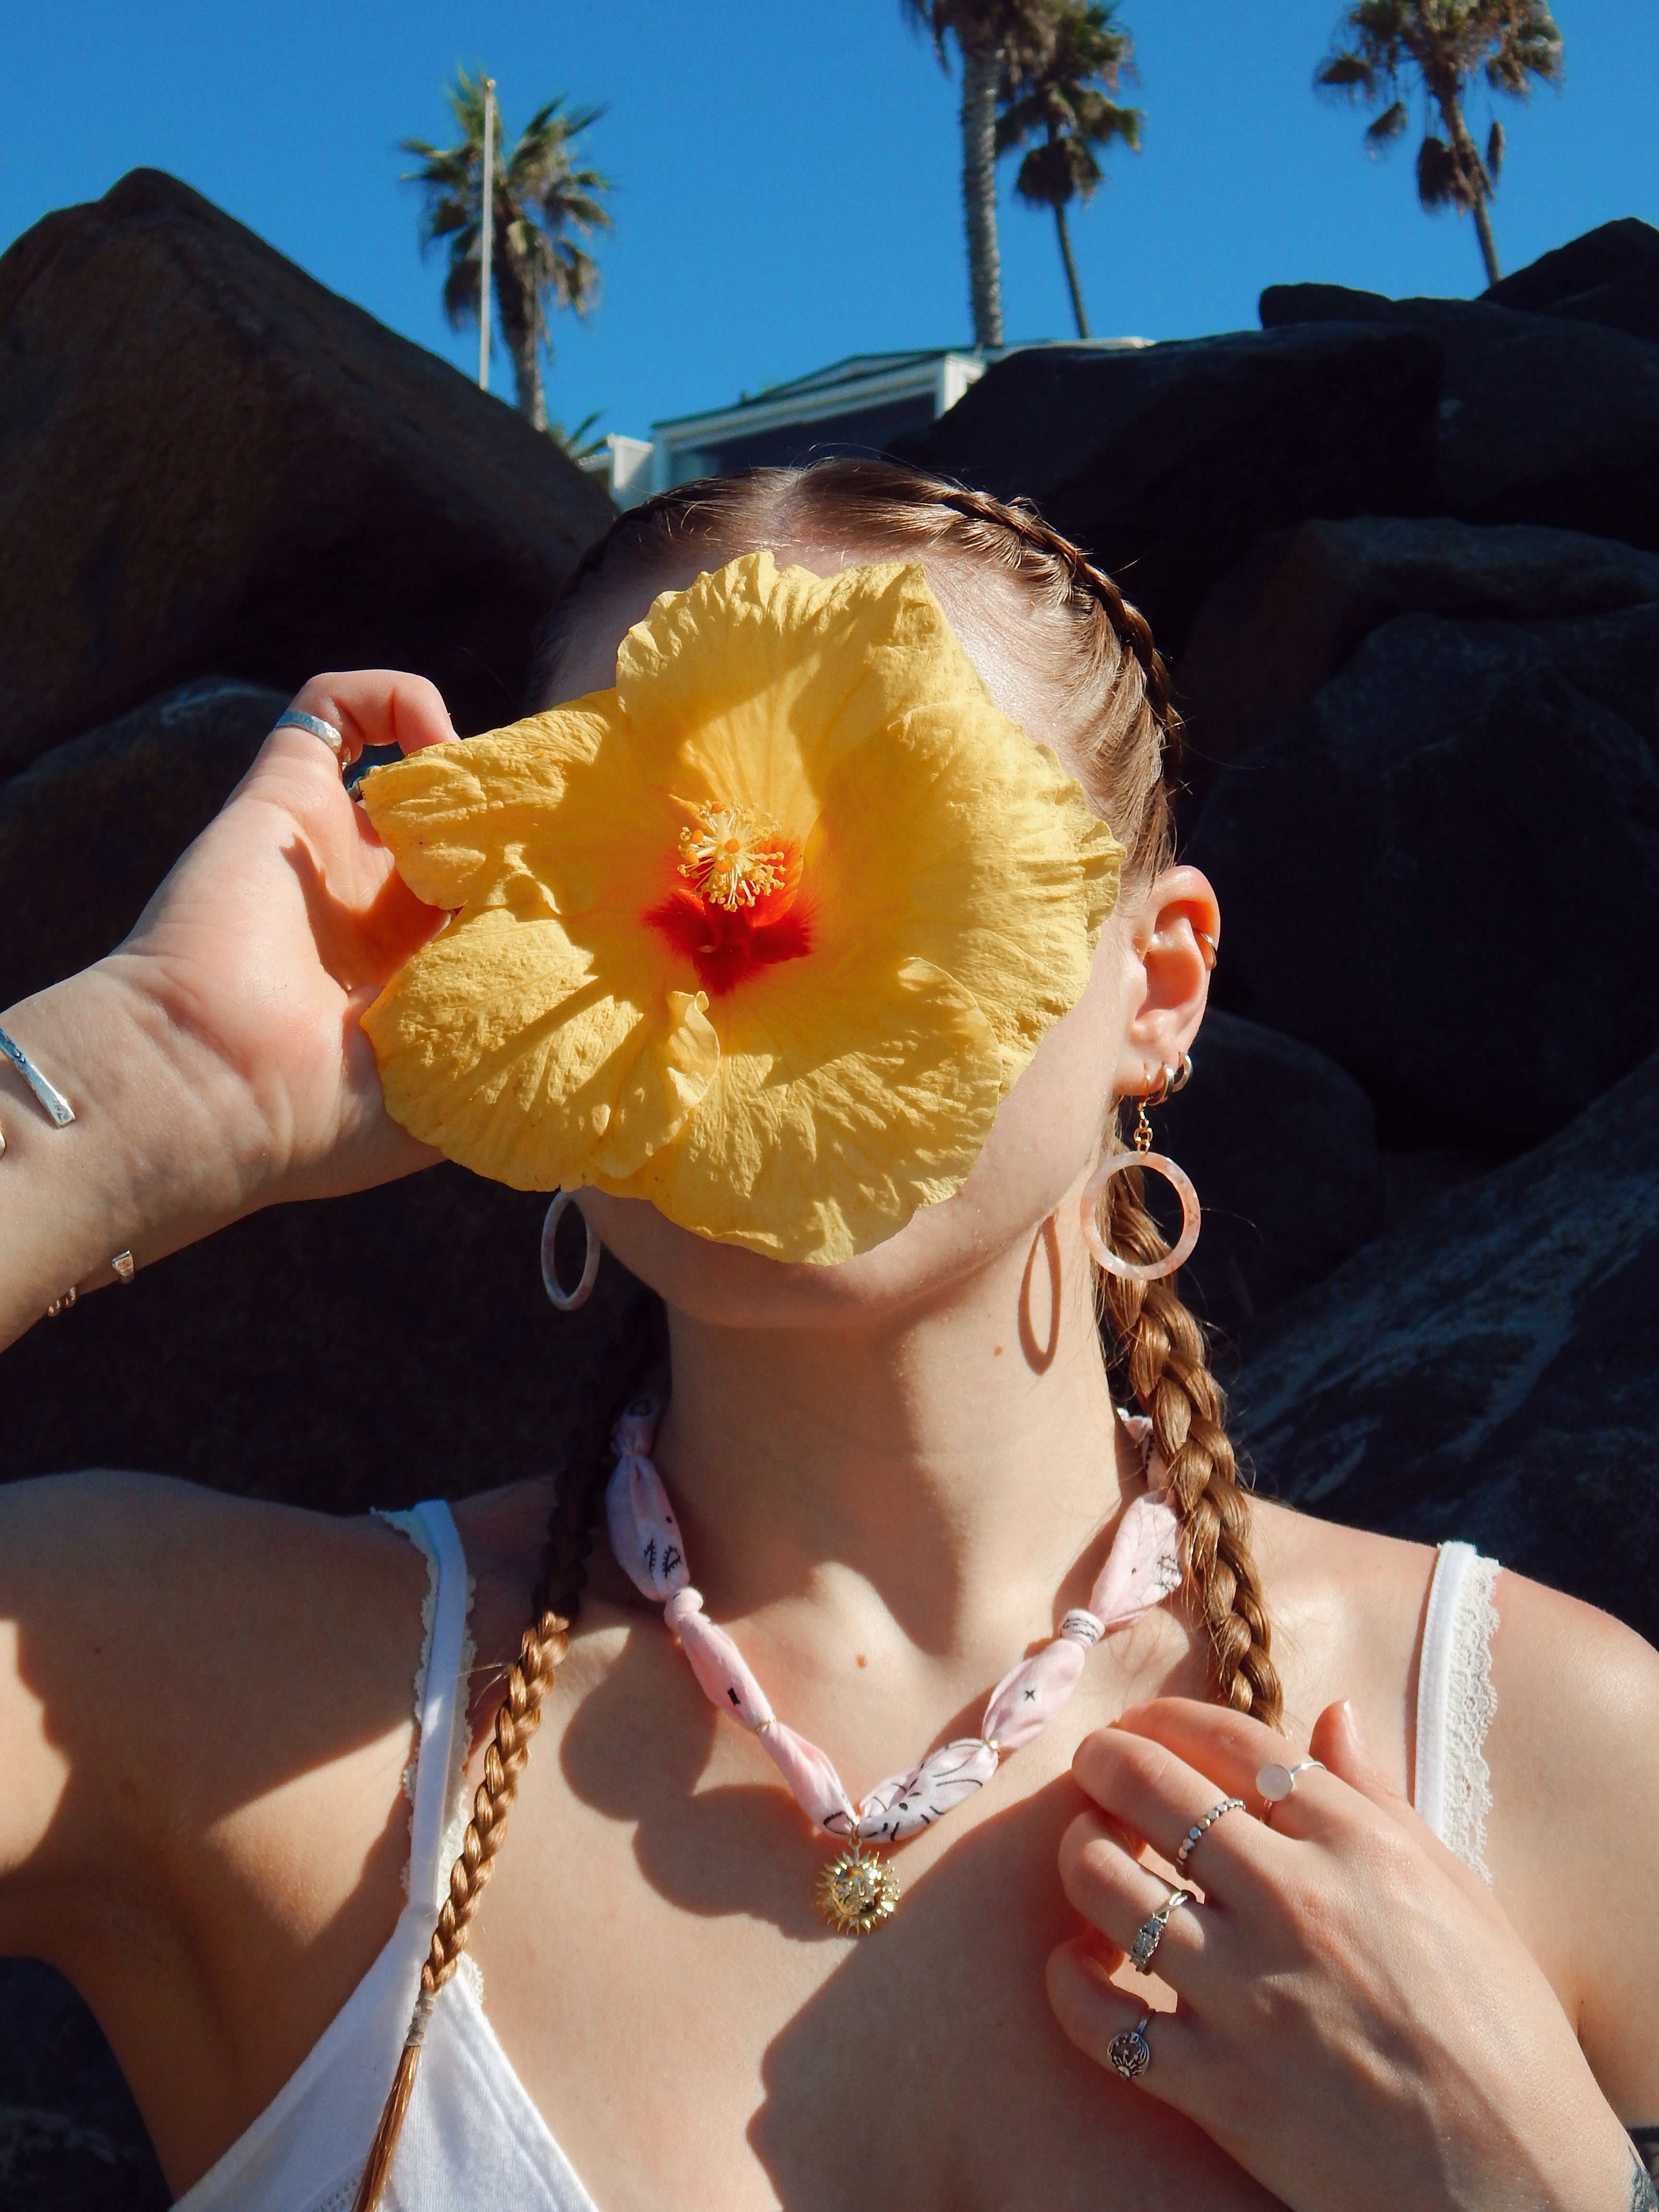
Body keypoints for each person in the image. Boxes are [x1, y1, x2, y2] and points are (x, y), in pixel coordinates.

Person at [0, 460, 1656, 2212]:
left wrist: (1539, 2181)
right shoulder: (179, 1682)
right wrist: (128, 1098)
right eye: (641, 825)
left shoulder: (1554, 1741)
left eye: (913, 826)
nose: (736, 936)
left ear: (1155, 989)